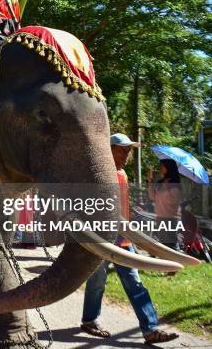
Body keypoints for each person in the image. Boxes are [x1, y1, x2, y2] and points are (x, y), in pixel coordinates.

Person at [80, 133, 179, 345]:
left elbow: (122, 206)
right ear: (109, 149)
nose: (126, 155)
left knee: (135, 282)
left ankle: (150, 329)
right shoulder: (96, 173)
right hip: (101, 238)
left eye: (128, 151)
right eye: (122, 150)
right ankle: (89, 320)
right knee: (97, 281)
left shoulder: (122, 175)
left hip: (123, 239)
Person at [148, 159, 182, 250]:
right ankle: (168, 263)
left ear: (169, 168)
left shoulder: (175, 183)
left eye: (162, 166)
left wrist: (166, 188)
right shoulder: (160, 182)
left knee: (172, 245)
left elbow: (172, 201)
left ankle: (178, 261)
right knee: (164, 245)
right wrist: (150, 182)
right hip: (160, 217)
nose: (160, 168)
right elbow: (152, 197)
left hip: (171, 218)